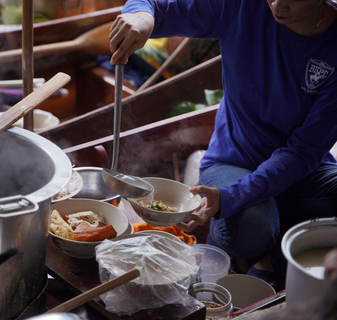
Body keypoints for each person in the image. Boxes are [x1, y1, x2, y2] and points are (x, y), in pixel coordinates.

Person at [109, 0, 337, 290]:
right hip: (235, 159)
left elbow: (303, 151)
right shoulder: (243, 6)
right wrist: (141, 17)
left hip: (303, 170)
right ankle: (257, 238)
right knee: (250, 231)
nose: (278, 5)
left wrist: (230, 197)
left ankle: (271, 260)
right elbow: (155, 5)